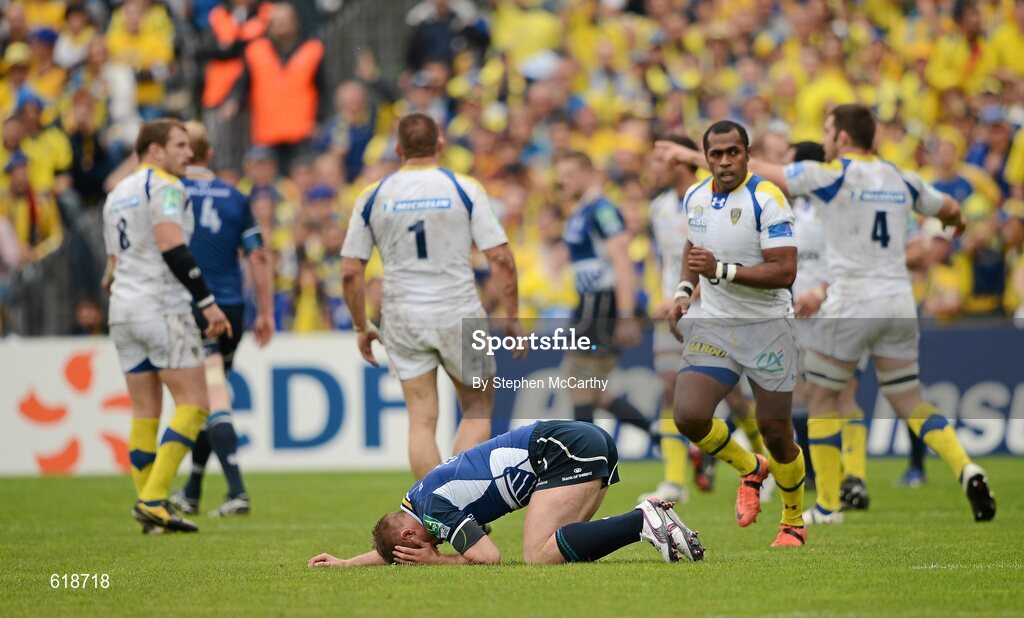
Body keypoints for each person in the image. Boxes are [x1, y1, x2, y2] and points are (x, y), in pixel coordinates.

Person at [747, 103, 995, 524]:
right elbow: (951, 208)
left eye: (827, 131)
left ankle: (827, 504)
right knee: (911, 400)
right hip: (898, 301)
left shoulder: (834, 174)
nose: (824, 140)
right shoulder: (902, 176)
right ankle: (966, 467)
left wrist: (702, 157)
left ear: (843, 138)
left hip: (850, 303)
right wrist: (957, 227)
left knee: (823, 397)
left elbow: (772, 173)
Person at [340, 112, 521, 480]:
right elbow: (500, 258)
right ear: (440, 144)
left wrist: (361, 325)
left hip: (402, 315)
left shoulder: (373, 195)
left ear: (397, 149)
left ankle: (434, 510)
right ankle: (461, 500)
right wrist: (513, 316)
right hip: (458, 311)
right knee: (476, 409)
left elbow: (350, 271)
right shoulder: (464, 188)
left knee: (421, 419)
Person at [657, 120, 807, 548]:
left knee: (776, 431)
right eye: (716, 154)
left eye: (733, 152)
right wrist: (685, 290)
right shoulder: (695, 196)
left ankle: (793, 520)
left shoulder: (767, 197)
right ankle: (750, 468)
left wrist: (720, 272)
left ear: (747, 152)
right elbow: (693, 246)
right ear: (706, 158)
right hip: (717, 324)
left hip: (768, 327)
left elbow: (785, 271)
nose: (724, 161)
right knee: (687, 414)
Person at [307, 420, 705, 566]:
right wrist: (344, 563)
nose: (430, 546)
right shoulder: (417, 499)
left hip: (559, 449)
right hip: (574, 441)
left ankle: (642, 519)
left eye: (409, 554)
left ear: (411, 535)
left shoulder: (431, 512)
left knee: (537, 555)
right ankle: (658, 525)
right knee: (562, 549)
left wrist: (437, 561)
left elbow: (488, 557)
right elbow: (397, 547)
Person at [101, 118, 232, 533]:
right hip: (162, 307)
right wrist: (208, 303)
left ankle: (150, 513)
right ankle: (154, 498)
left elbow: (110, 270)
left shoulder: (116, 193)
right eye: (179, 145)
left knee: (144, 413)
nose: (188, 154)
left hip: (123, 310)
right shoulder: (165, 186)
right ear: (154, 150)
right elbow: (172, 245)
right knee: (195, 403)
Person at [168, 121, 274, 518]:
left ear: (185, 154)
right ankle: (193, 490)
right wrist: (265, 311)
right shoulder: (234, 196)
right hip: (233, 306)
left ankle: (237, 491)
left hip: (194, 304)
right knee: (206, 397)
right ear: (208, 154)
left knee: (209, 395)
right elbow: (258, 255)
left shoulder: (171, 194)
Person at [556, 151, 654, 437]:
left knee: (580, 382)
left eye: (570, 174)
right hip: (587, 302)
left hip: (600, 305)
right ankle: (659, 434)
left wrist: (625, 314)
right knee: (592, 389)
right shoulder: (582, 210)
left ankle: (586, 461)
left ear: (590, 173)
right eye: (561, 175)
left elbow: (622, 261)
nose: (563, 181)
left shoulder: (603, 210)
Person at [640, 134, 702, 504]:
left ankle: (764, 463)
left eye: (659, 161)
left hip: (710, 309)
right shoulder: (659, 207)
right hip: (672, 312)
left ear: (679, 161)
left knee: (738, 401)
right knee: (668, 389)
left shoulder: (708, 200)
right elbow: (664, 260)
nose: (653, 169)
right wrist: (660, 298)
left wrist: (687, 294)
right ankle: (675, 480)